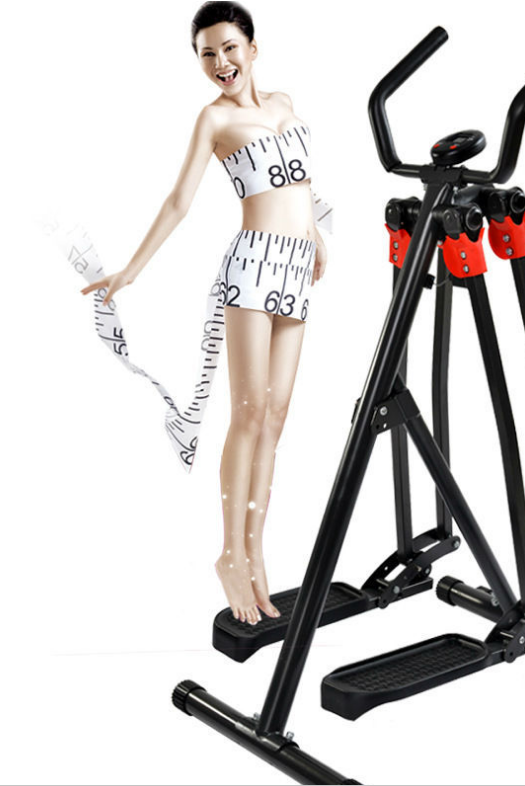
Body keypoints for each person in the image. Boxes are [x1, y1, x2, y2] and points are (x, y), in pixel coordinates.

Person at [80, 0, 329, 627]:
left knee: (276, 417)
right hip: (253, 267)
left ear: (253, 48)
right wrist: (130, 271)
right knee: (247, 413)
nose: (220, 62)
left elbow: (301, 183)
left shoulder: (285, 104)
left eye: (229, 47)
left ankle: (256, 550)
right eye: (207, 53)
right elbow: (179, 200)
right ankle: (229, 554)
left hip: (297, 265)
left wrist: (315, 235)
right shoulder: (214, 119)